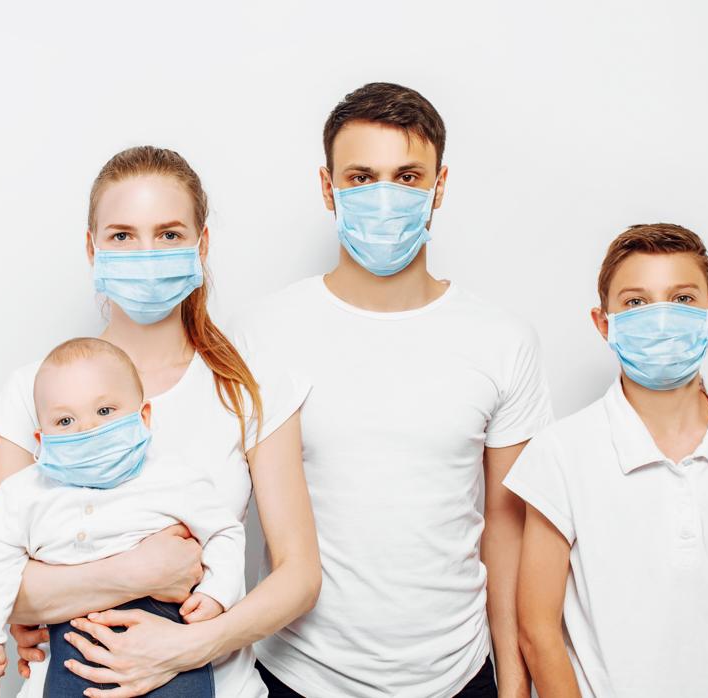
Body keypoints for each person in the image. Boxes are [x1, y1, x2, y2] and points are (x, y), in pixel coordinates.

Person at [234, 82, 553, 698]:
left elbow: (506, 525)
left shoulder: (503, 340)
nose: (384, 197)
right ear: (327, 187)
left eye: (407, 177)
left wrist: (513, 683)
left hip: (459, 675)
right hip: (296, 675)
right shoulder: (261, 333)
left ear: (439, 185)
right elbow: (214, 503)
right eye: (361, 177)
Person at [0, 145, 322, 697]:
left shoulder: (249, 387)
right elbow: (3, 582)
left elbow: (299, 576)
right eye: (123, 235)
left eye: (168, 234)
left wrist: (185, 647)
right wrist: (142, 571)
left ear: (201, 245)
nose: (146, 255)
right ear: (92, 247)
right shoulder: (31, 392)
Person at [508, 223, 708, 697]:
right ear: (604, 323)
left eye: (682, 299)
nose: (660, 321)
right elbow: (537, 628)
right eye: (636, 302)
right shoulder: (560, 453)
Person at [0, 337, 246, 697]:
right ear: (41, 439)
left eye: (105, 411)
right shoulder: (23, 494)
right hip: (71, 646)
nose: (88, 428)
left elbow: (224, 533)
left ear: (143, 417)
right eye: (65, 420)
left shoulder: (174, 477)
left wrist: (218, 593)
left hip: (170, 644)